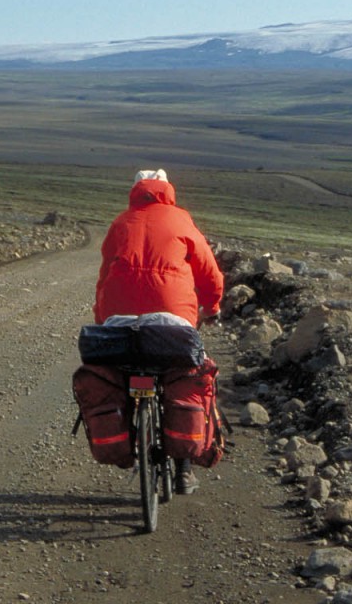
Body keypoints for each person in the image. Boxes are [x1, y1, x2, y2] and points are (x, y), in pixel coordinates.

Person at [95, 169, 225, 494]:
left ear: (135, 190)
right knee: (184, 377)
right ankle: (183, 469)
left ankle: (124, 438)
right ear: (168, 191)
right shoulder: (181, 220)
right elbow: (209, 272)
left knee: (120, 375)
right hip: (173, 320)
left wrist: (103, 318)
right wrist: (213, 306)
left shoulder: (121, 222)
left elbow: (104, 277)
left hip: (119, 320)